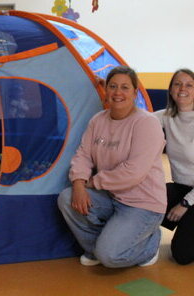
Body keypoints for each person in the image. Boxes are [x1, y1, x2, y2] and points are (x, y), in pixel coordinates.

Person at [58, 66, 167, 268]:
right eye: (113, 86)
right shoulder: (98, 120)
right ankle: (97, 250)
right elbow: (83, 155)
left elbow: (133, 172)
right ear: (106, 90)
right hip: (111, 197)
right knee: (67, 198)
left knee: (110, 257)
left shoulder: (147, 123)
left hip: (142, 204)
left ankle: (150, 244)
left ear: (135, 93)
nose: (118, 92)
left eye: (125, 87)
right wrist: (79, 183)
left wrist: (92, 182)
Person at [154, 68, 194, 265]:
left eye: (189, 85)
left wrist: (185, 204)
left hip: (191, 195)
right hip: (181, 187)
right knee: (146, 198)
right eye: (177, 84)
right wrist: (107, 90)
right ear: (170, 90)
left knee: (182, 255)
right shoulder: (166, 117)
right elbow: (134, 117)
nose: (182, 89)